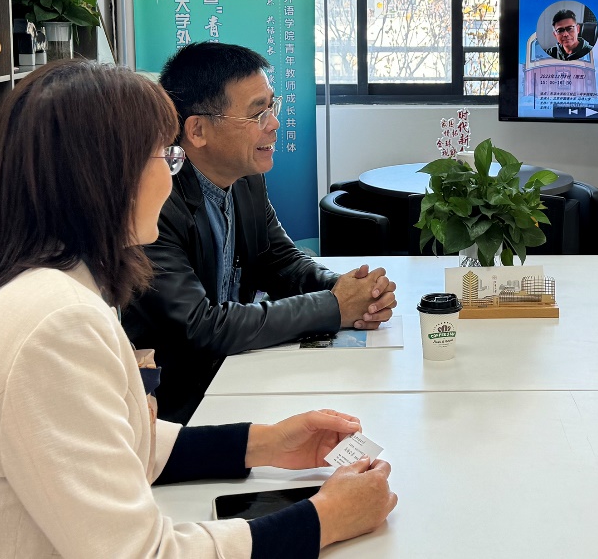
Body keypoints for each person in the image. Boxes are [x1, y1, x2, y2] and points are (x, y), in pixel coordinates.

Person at [0, 60, 397, 558]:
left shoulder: (22, 280)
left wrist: (267, 443)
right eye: (164, 157)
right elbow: (142, 553)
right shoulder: (55, 322)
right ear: (104, 177)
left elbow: (120, 442)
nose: (172, 177)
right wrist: (324, 519)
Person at [122, 43, 398, 424]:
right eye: (257, 113)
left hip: (238, 373)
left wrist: (349, 290)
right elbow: (201, 325)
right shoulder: (155, 202)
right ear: (197, 130)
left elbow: (279, 260)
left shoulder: (245, 177)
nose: (274, 124)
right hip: (179, 407)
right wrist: (334, 307)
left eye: (272, 106)